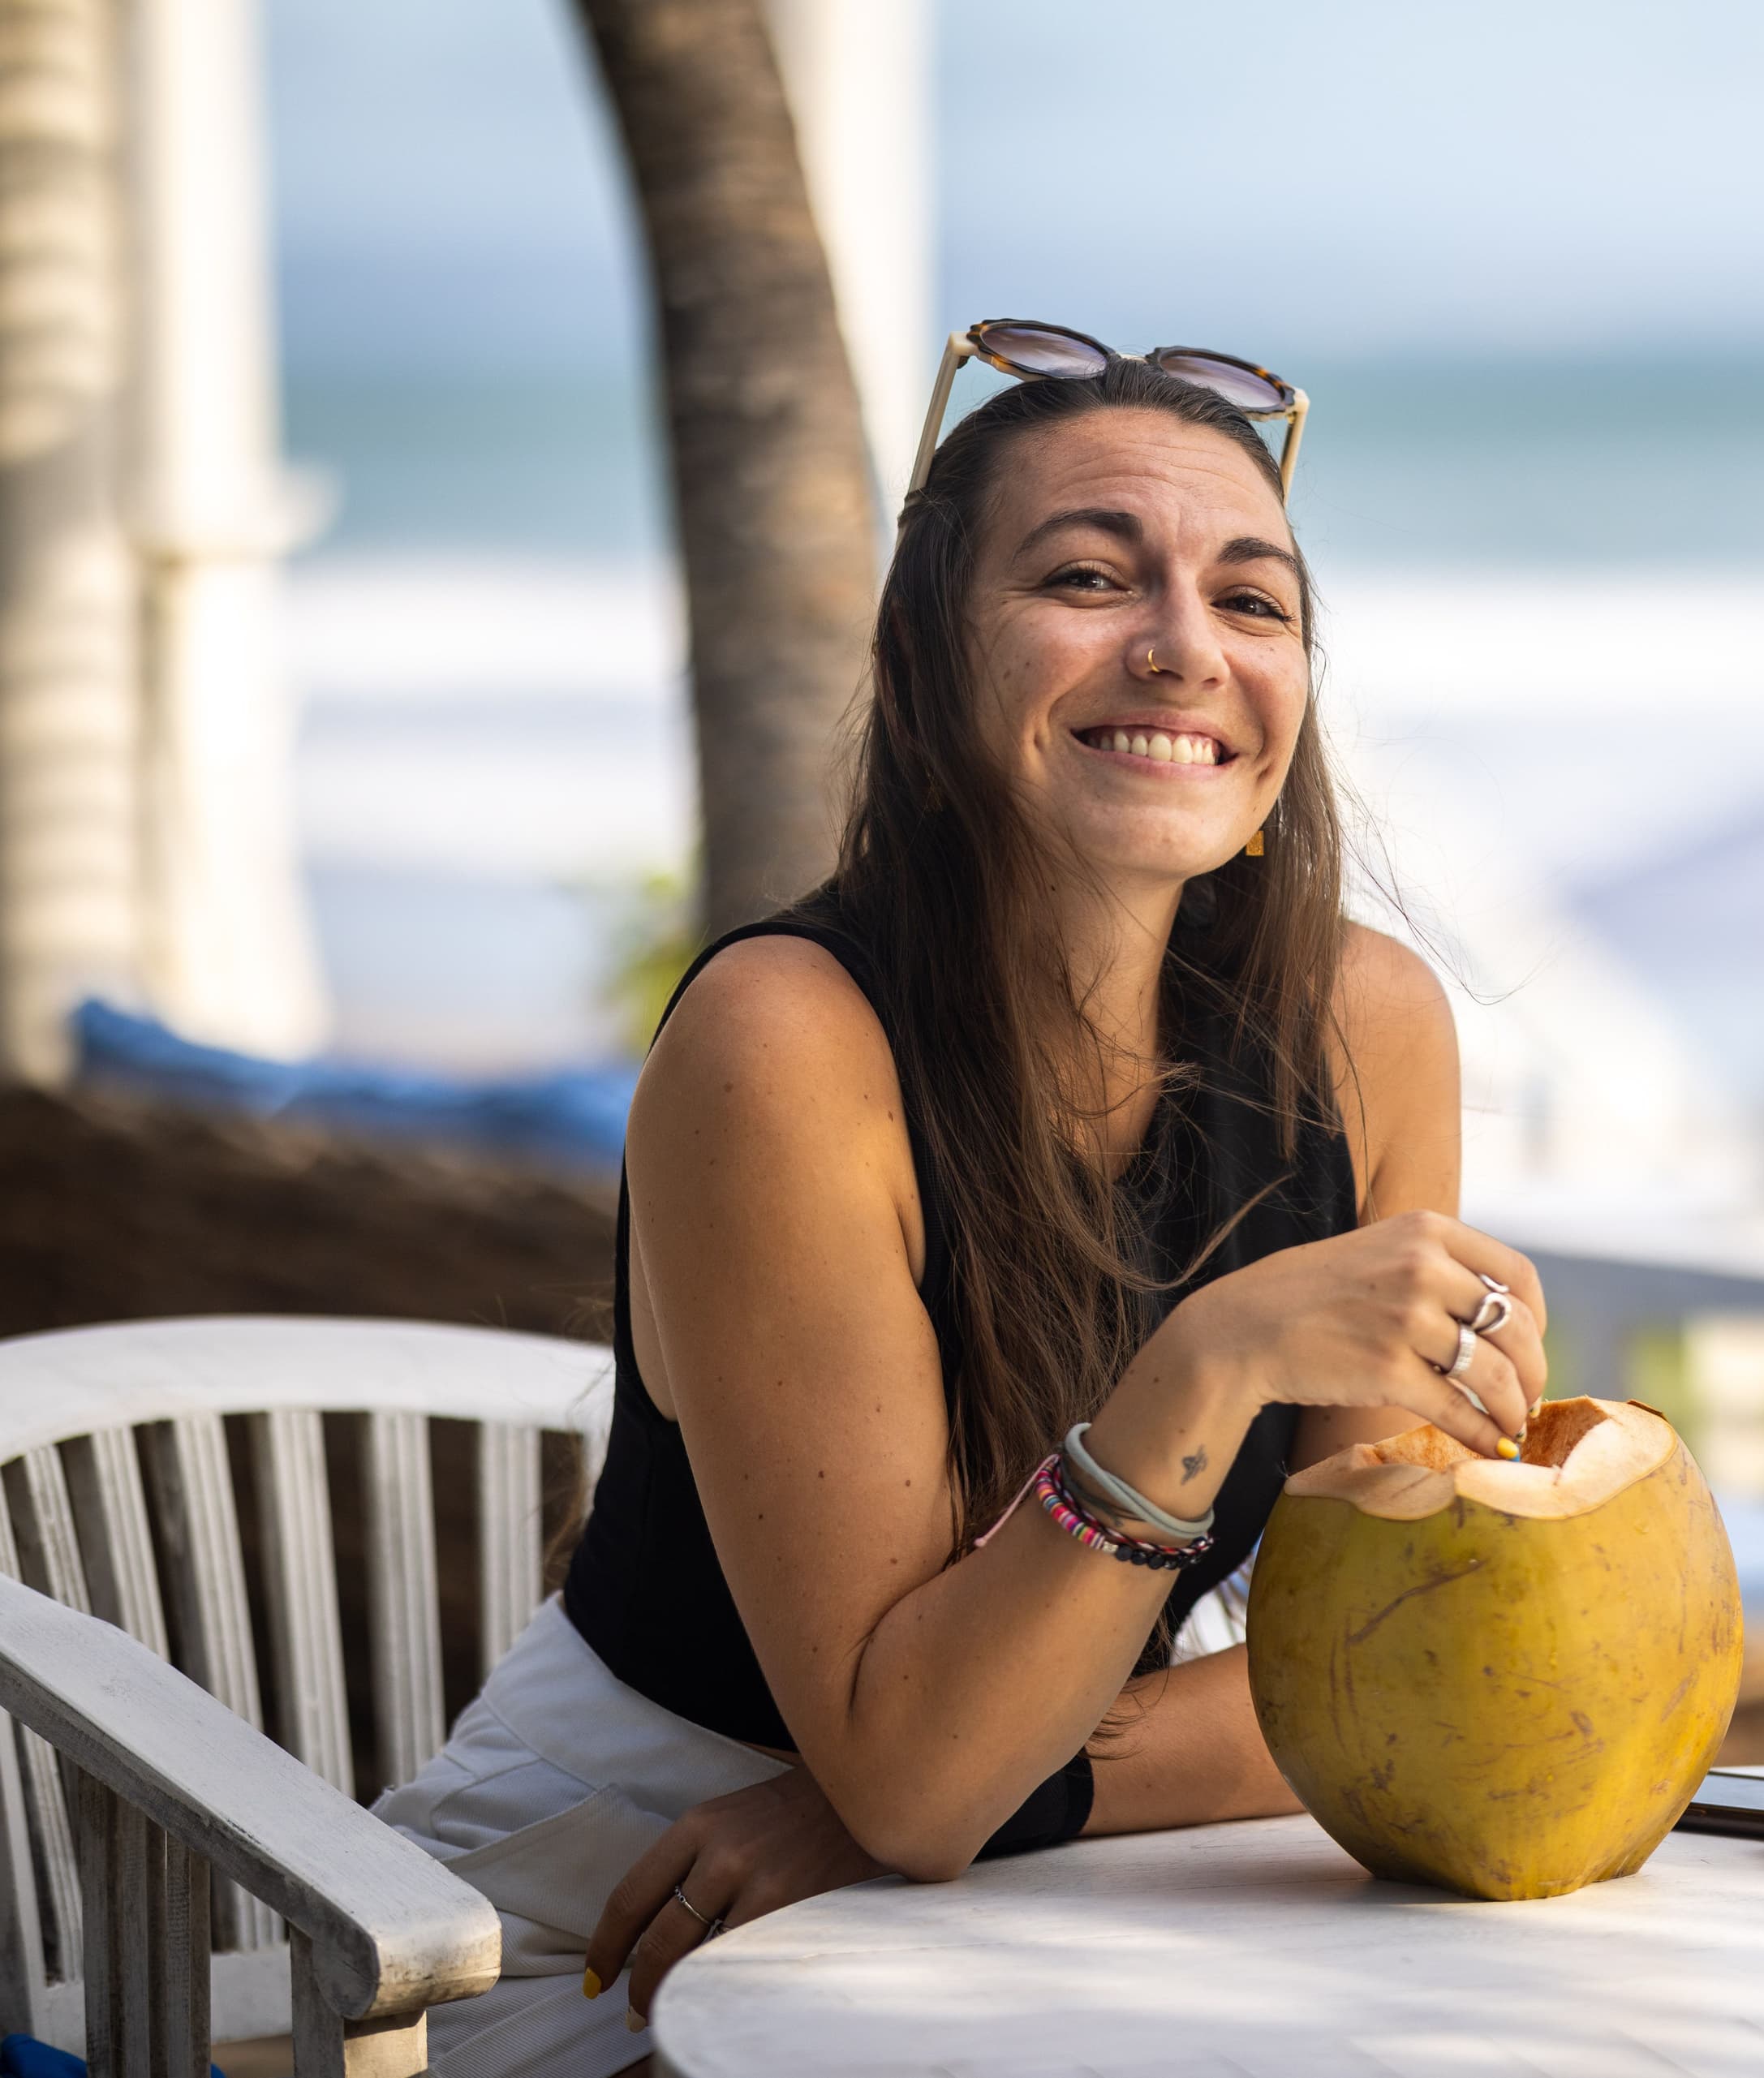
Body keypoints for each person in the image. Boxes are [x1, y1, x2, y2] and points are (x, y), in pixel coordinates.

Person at [371, 342, 1548, 2078]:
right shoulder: (786, 1043)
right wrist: (1207, 1360)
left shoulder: (1362, 1025)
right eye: (1087, 578)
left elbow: (1389, 1665)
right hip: (616, 1909)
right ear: (923, 670)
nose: (1186, 646)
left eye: (1253, 600)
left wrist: (970, 1795)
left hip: (1007, 1879)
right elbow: (920, 1773)